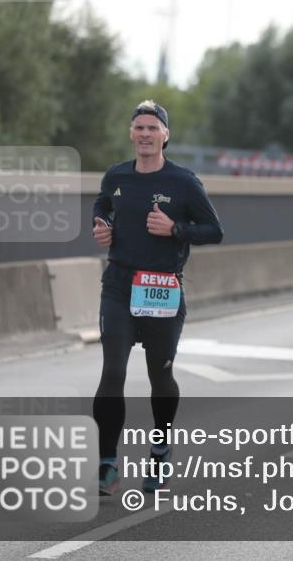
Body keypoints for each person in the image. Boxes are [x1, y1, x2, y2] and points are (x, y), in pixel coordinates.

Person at [92, 100, 224, 496]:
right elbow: (103, 204)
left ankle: (160, 450)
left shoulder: (183, 181)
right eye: (139, 127)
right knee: (112, 372)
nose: (145, 134)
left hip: (162, 288)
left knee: (159, 374)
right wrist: (100, 224)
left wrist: (176, 229)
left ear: (165, 135)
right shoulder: (117, 175)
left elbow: (214, 230)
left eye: (153, 128)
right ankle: (107, 463)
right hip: (118, 284)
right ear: (131, 133)